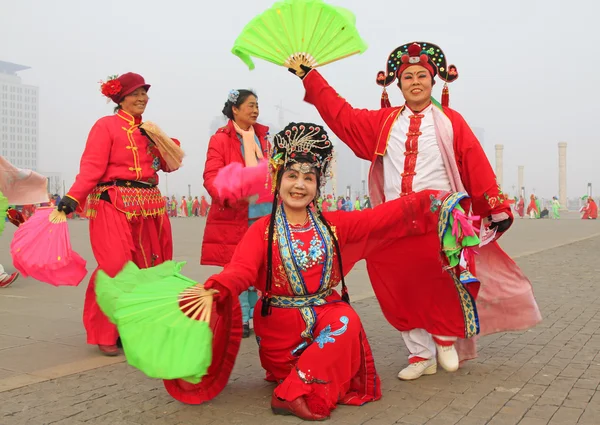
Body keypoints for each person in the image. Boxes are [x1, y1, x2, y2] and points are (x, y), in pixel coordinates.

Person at [185, 122, 477, 420]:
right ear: (277, 179)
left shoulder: (333, 225)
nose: (299, 185)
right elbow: (241, 270)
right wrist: (217, 287)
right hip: (280, 330)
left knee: (347, 318)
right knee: (337, 340)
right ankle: (298, 385)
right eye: (292, 176)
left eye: (308, 178)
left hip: (326, 322)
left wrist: (434, 200)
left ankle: (292, 393)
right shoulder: (263, 230)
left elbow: (383, 219)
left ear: (317, 185)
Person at [289, 41, 540, 380]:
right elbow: (342, 115)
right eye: (408, 77)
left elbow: (476, 165)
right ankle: (420, 354)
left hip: (439, 218)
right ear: (399, 83)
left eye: (422, 75)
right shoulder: (384, 123)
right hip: (392, 217)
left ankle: (444, 337)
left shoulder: (451, 122)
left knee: (437, 277)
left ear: (434, 81)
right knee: (394, 282)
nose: (416, 82)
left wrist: (493, 206)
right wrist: (310, 77)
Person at [57, 72, 182, 356]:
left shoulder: (149, 129)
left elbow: (171, 165)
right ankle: (105, 331)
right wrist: (73, 197)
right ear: (120, 98)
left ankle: (134, 329)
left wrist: (164, 143)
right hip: (113, 200)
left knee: (150, 267)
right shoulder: (106, 126)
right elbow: (91, 167)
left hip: (149, 204)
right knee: (115, 267)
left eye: (145, 93)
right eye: (136, 93)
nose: (142, 98)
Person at [201, 89, 271, 338]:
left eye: (257, 105)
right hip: (236, 214)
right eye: (250, 105)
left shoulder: (264, 138)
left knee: (261, 266)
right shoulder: (220, 139)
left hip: (265, 212)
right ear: (235, 109)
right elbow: (211, 176)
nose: (255, 110)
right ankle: (240, 316)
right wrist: (229, 194)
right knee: (238, 266)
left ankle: (256, 313)